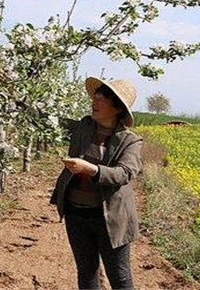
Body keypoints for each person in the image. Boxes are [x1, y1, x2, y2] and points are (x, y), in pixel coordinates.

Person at [50, 77, 143, 290]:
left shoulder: (130, 141)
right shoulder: (83, 127)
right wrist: (17, 101)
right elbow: (49, 121)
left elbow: (125, 173)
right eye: (96, 95)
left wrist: (90, 169)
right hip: (76, 215)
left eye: (102, 97)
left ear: (117, 108)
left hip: (110, 219)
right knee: (87, 271)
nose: (95, 100)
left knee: (119, 278)